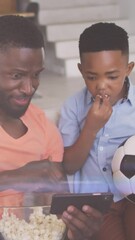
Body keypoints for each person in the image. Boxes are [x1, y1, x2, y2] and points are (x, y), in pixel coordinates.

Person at [0, 15, 103, 240]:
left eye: (36, 75)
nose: (29, 88)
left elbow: (50, 216)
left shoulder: (44, 130)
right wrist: (12, 177)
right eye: (16, 75)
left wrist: (76, 229)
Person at [58, 22, 135, 239]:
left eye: (112, 76)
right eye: (92, 77)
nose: (102, 86)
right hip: (96, 206)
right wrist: (91, 127)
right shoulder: (73, 107)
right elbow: (69, 165)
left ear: (128, 69)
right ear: (81, 70)